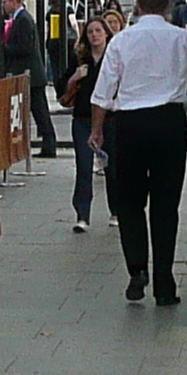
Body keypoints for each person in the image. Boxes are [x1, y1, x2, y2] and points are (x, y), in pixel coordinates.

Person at [90, 0, 187, 304]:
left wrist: (97, 131)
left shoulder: (122, 41)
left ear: (137, 5)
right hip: (169, 121)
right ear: (168, 5)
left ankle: (137, 269)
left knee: (130, 201)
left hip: (131, 124)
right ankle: (165, 282)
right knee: (166, 205)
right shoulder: (183, 39)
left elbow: (102, 92)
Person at [61, 17, 111, 233]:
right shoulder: (80, 58)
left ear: (106, 33)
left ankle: (116, 210)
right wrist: (75, 77)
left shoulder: (114, 57)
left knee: (113, 166)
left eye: (98, 31)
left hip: (111, 118)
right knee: (83, 166)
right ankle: (82, 215)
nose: (94, 35)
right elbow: (63, 87)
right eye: (90, 32)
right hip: (82, 117)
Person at [0, 0, 58, 157]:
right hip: (27, 73)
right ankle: (47, 144)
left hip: (31, 75)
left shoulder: (23, 20)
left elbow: (25, 47)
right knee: (37, 111)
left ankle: (49, 144)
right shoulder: (18, 19)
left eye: (6, 2)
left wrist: (3, 49)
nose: (4, 5)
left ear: (15, 1)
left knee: (40, 111)